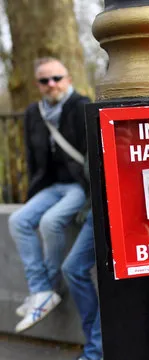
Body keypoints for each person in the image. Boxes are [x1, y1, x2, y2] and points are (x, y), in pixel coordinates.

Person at [9, 57, 90, 333]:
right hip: (51, 187)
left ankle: (49, 287)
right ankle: (41, 290)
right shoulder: (34, 113)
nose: (51, 84)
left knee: (50, 222)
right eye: (45, 80)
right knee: (18, 220)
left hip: (79, 186)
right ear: (38, 85)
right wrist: (32, 195)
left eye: (56, 78)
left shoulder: (81, 107)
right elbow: (33, 160)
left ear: (68, 79)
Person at [45, 158, 103, 360]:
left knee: (115, 280)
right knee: (73, 268)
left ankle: (93, 359)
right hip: (98, 205)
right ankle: (95, 350)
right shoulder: (86, 117)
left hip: (128, 201)